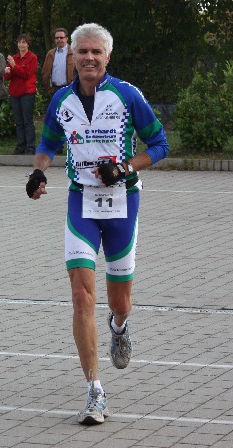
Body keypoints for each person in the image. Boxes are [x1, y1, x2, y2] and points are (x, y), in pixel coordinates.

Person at [26, 23, 169, 425]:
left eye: (96, 52)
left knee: (119, 301)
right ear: (71, 56)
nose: (89, 58)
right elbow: (48, 143)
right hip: (82, 203)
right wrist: (38, 172)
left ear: (107, 57)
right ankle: (95, 390)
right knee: (81, 296)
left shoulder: (127, 95)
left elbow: (160, 145)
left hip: (123, 202)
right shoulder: (61, 100)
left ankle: (119, 327)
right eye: (82, 52)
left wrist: (124, 168)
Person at [4, 33, 38, 155]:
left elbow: (26, 74)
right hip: (15, 93)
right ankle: (21, 146)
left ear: (28, 44)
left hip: (27, 92)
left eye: (24, 42)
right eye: (19, 42)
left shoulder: (32, 57)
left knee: (27, 121)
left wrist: (14, 65)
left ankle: (30, 147)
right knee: (18, 122)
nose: (21, 44)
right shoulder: (14, 57)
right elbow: (7, 77)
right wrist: (7, 71)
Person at [41, 27, 74, 94]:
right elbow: (45, 72)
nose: (59, 39)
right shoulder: (50, 54)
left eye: (61, 37)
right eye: (57, 38)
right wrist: (48, 87)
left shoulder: (73, 52)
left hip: (70, 88)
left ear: (66, 38)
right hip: (54, 89)